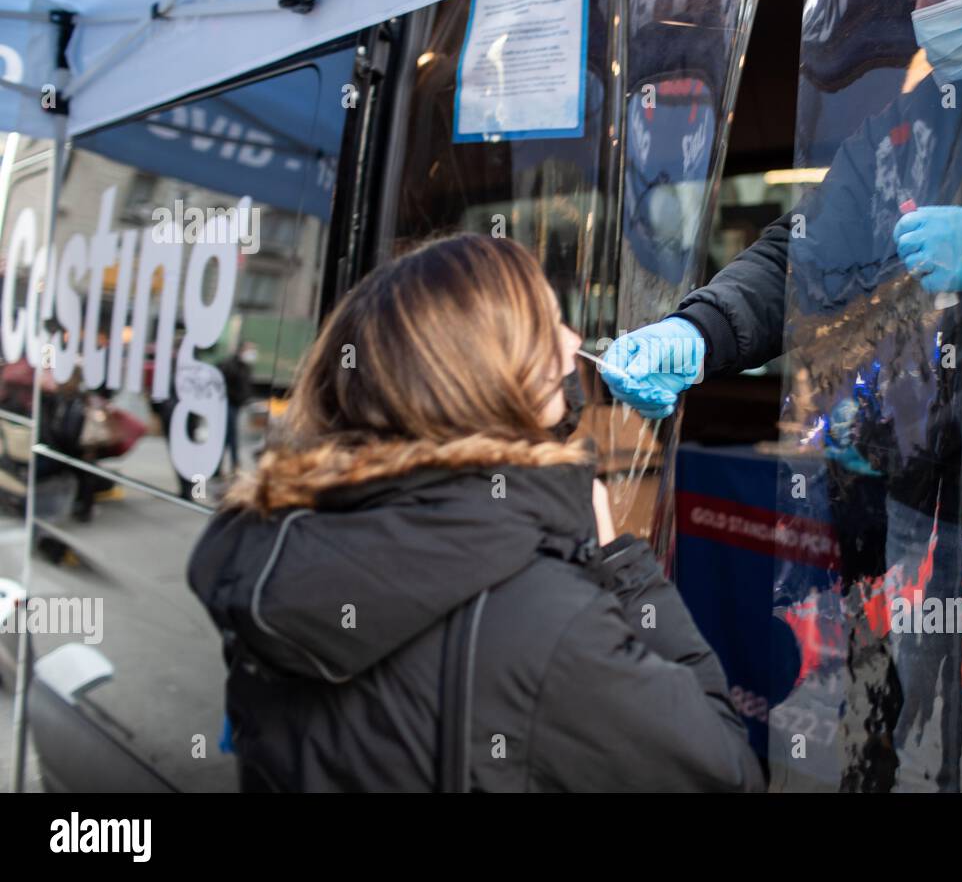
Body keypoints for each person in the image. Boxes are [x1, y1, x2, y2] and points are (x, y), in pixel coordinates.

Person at [603, 0, 962, 792]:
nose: (926, 12)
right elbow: (802, 257)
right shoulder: (914, 126)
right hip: (939, 515)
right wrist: (698, 330)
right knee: (927, 764)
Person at [187, 233, 764, 792]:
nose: (573, 342)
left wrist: (545, 449)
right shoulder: (545, 623)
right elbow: (726, 769)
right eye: (547, 327)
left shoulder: (272, 551)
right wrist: (622, 566)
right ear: (492, 383)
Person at [217, 342, 257, 476]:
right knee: (229, 435)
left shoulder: (245, 366)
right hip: (229, 404)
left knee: (229, 436)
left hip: (237, 404)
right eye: (250, 349)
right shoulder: (231, 365)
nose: (252, 353)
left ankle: (228, 465)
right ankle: (231, 464)